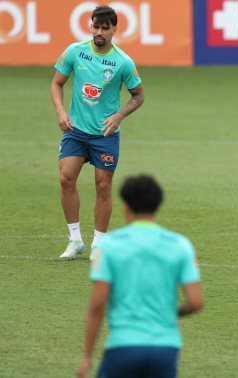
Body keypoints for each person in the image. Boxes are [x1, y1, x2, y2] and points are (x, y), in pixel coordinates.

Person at [77, 175, 203, 378]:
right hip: (165, 348)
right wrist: (171, 312)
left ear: (126, 206)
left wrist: (86, 357)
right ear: (158, 206)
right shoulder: (180, 245)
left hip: (123, 345)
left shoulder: (109, 246)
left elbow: (98, 304)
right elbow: (196, 302)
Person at [51, 5, 144, 260]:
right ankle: (75, 240)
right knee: (65, 179)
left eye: (105, 27)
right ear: (90, 26)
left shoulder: (123, 62)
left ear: (115, 29)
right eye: (96, 26)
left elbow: (138, 96)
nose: (99, 31)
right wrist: (61, 112)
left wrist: (119, 115)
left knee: (103, 187)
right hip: (76, 131)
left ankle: (99, 244)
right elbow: (57, 83)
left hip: (105, 134)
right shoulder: (75, 52)